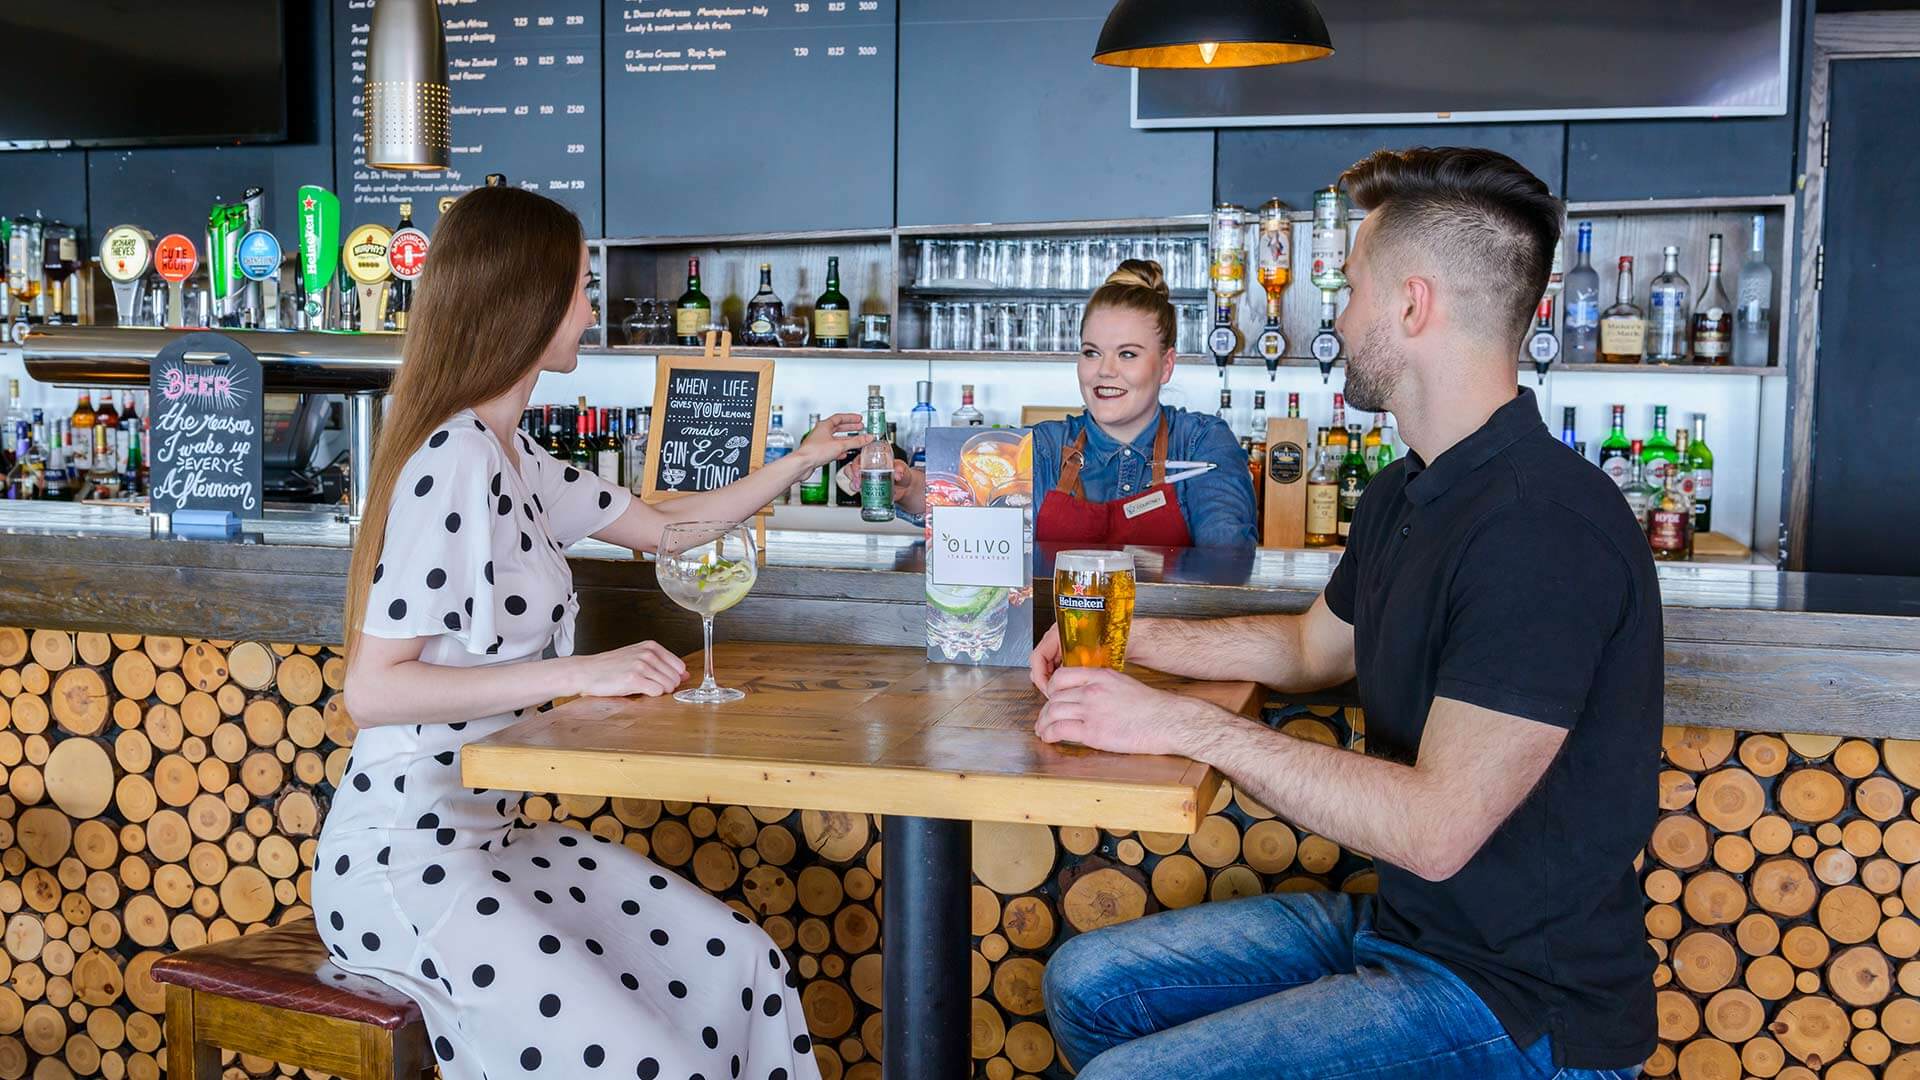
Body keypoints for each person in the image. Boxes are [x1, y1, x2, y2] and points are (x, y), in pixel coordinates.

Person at [1029, 148, 1660, 1079]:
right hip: (1412, 931)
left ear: (1412, 306)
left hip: (1523, 1003)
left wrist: (1178, 722)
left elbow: (1437, 829)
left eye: (1352, 289)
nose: (1339, 314)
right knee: (1092, 983)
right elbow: (1310, 645)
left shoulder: (1542, 528)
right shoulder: (1413, 491)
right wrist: (1124, 640)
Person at [313, 186, 854, 1080]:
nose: (592, 308)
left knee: (741, 964)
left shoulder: (512, 455)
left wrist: (796, 463)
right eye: (578, 288)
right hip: (406, 863)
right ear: (525, 300)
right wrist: (580, 674)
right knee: (646, 1058)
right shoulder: (453, 456)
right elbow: (373, 693)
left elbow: (667, 526)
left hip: (495, 838)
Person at [887, 260, 1256, 547]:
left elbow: (1228, 566)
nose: (1104, 372)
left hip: (1170, 641)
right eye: (1092, 353)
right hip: (1057, 639)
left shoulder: (1201, 442)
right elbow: (964, 498)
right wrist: (905, 489)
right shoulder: (1046, 447)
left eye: (1128, 354)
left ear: (1166, 366)